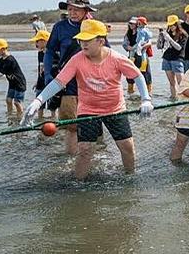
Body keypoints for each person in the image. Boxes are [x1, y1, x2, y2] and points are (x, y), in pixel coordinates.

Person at [22, 20, 154, 180]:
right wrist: (38, 101)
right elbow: (59, 82)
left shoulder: (116, 58)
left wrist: (146, 99)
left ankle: (130, 178)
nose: (82, 44)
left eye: (87, 40)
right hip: (88, 110)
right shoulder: (77, 59)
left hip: (115, 109)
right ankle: (78, 183)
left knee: (127, 146)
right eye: (80, 40)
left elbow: (137, 75)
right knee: (85, 149)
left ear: (101, 40)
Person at [43, 0, 96, 155]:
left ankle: (95, 154)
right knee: (71, 125)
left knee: (94, 121)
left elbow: (105, 52)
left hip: (92, 81)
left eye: (77, 9)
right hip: (68, 82)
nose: (73, 12)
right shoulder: (60, 27)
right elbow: (50, 50)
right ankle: (71, 159)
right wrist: (47, 74)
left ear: (86, 10)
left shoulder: (94, 26)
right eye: (70, 9)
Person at [159, 15, 189, 98]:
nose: (171, 27)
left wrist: (170, 39)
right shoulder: (167, 34)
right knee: (172, 82)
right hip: (167, 58)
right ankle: (174, 98)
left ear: (177, 24)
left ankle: (185, 100)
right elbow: (160, 47)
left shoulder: (183, 34)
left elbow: (179, 48)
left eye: (173, 25)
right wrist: (161, 38)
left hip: (177, 59)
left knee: (182, 83)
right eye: (170, 25)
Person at [29, 30, 53, 119]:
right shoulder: (40, 53)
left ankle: (54, 121)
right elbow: (40, 68)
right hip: (40, 83)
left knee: (52, 106)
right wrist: (37, 81)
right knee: (39, 104)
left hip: (50, 83)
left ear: (44, 41)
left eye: (37, 41)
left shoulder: (52, 54)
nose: (36, 43)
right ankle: (40, 121)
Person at [122, 17, 139, 95]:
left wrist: (133, 48)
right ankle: (130, 93)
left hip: (140, 57)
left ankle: (147, 95)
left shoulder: (140, 32)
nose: (131, 25)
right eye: (130, 23)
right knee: (129, 76)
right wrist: (131, 48)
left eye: (133, 23)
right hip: (131, 57)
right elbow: (124, 44)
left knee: (145, 76)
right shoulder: (128, 33)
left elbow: (143, 43)